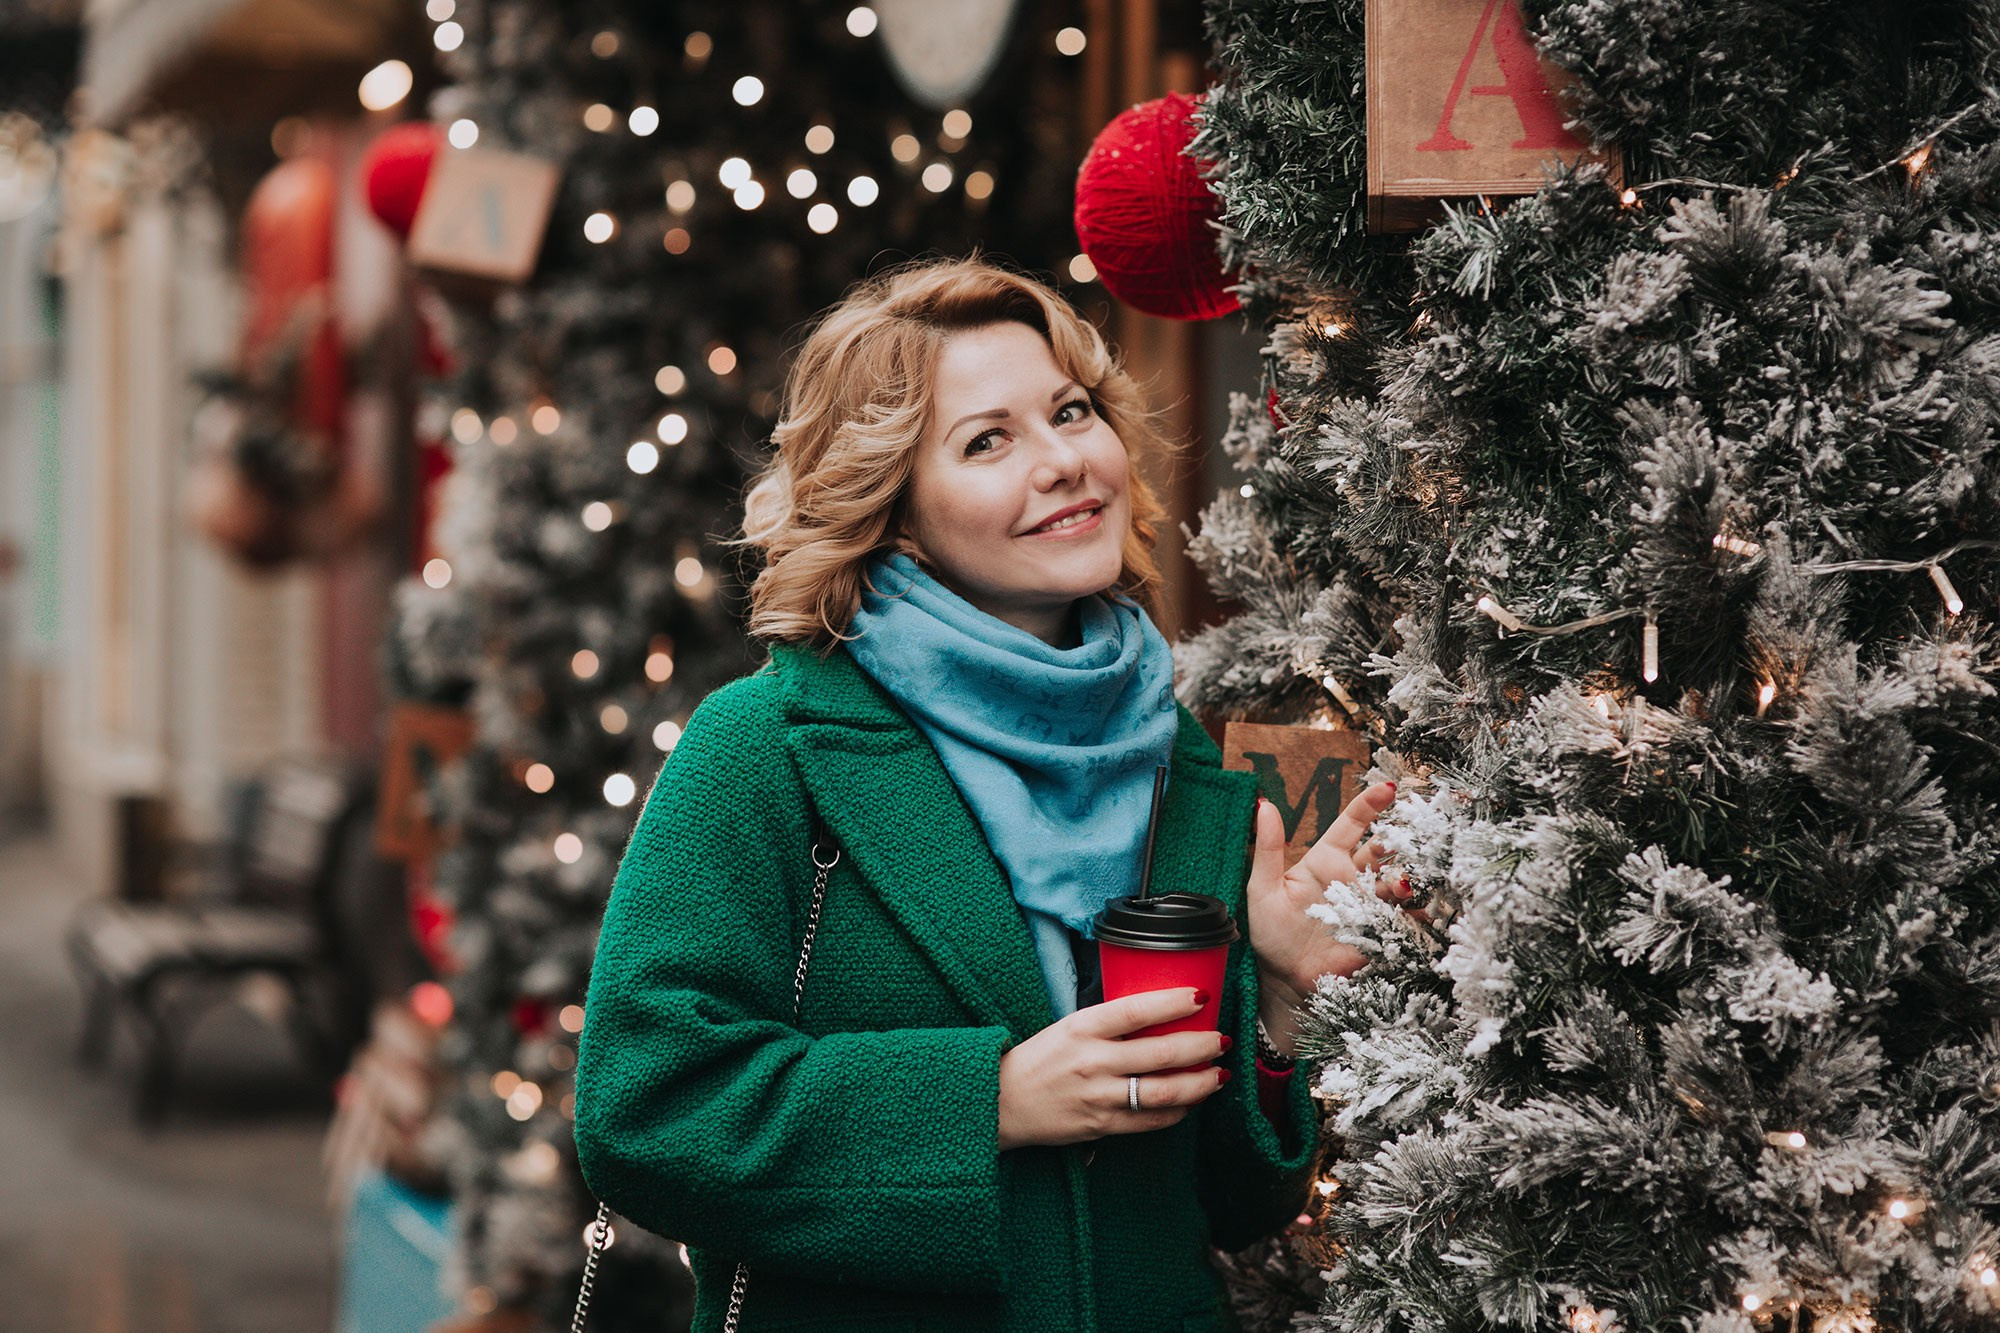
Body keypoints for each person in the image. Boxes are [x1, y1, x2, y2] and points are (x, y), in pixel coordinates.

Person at [574, 258, 1397, 1332]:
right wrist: (989, 1102)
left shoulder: (1183, 770)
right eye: (986, 440)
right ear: (896, 511)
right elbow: (645, 1107)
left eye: (1069, 412)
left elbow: (1229, 1205)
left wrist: (1280, 1006)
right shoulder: (768, 749)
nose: (1061, 461)